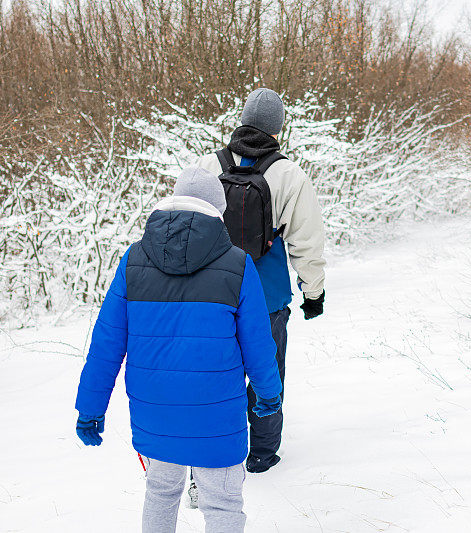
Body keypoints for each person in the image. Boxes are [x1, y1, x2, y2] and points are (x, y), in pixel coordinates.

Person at [74, 167, 284, 533]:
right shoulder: (237, 265)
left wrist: (90, 409)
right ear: (219, 211)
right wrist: (268, 394)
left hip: (155, 414)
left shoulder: (133, 261)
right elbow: (258, 341)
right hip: (217, 415)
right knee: (222, 504)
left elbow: (106, 343)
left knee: (160, 494)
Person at [194, 88, 326, 474]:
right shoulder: (289, 174)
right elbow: (307, 241)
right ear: (277, 129)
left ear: (243, 119)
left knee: (217, 374)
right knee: (267, 374)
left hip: (210, 293)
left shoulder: (207, 164)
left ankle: (217, 452)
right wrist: (313, 292)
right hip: (265, 296)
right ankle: (262, 455)